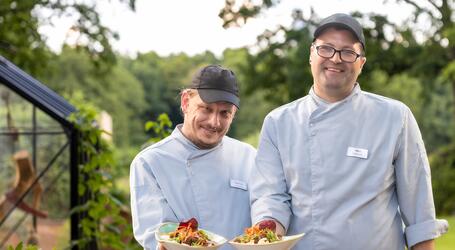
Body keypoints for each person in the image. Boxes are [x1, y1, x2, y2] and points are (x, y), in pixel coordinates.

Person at [250, 13, 448, 250]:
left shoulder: (395, 117)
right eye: (326, 49)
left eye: (348, 52)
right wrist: (267, 228)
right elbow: (271, 197)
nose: (335, 59)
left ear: (361, 63)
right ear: (311, 55)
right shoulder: (278, 122)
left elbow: (420, 215)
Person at [130, 65, 256, 250]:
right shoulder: (150, 163)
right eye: (206, 109)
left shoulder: (249, 156)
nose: (214, 122)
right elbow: (157, 234)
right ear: (185, 102)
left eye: (224, 113)